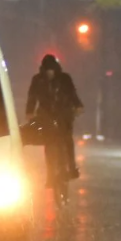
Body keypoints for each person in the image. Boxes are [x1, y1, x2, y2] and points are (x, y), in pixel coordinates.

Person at [25, 54, 84, 184]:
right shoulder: (37, 80)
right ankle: (51, 175)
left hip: (64, 114)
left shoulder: (65, 79)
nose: (49, 73)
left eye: (51, 70)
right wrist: (29, 112)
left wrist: (78, 106)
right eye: (47, 70)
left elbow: (72, 94)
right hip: (46, 115)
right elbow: (32, 97)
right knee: (49, 143)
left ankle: (72, 167)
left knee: (67, 139)